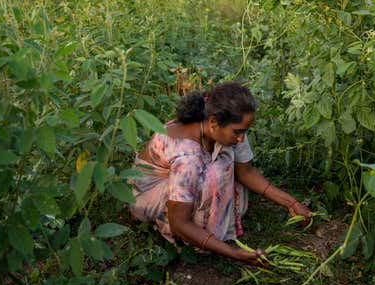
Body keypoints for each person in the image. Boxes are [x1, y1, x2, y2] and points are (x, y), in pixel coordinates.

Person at [128, 82, 312, 264]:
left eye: (244, 132)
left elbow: (245, 172)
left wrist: (291, 203)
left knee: (223, 160)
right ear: (214, 122)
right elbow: (179, 223)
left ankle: (214, 220)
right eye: (237, 132)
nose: (241, 138)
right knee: (217, 171)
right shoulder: (188, 156)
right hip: (149, 195)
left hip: (180, 182)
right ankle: (204, 235)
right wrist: (235, 253)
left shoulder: (221, 125)